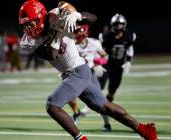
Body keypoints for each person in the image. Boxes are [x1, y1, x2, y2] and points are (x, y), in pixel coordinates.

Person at [18, 0, 157, 140]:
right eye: (26, 24)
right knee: (105, 107)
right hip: (72, 74)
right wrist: (57, 32)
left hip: (78, 71)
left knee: (52, 105)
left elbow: (93, 18)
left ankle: (81, 139)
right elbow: (51, 54)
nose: (29, 28)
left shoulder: (56, 16)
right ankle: (144, 130)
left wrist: (76, 16)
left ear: (42, 15)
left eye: (31, 23)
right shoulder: (28, 41)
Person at [98, 13, 136, 130]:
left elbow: (129, 47)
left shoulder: (130, 36)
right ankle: (104, 119)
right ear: (112, 25)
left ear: (124, 25)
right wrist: (98, 62)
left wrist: (129, 61)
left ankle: (106, 115)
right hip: (105, 67)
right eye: (116, 24)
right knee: (98, 93)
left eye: (120, 24)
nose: (118, 26)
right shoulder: (106, 36)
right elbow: (98, 50)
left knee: (110, 95)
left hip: (118, 68)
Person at [70, 24, 107, 125]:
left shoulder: (94, 43)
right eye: (77, 32)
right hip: (77, 74)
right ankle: (76, 112)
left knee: (100, 100)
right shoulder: (72, 45)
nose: (79, 34)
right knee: (70, 97)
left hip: (90, 73)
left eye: (80, 31)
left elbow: (105, 57)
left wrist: (98, 63)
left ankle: (106, 123)